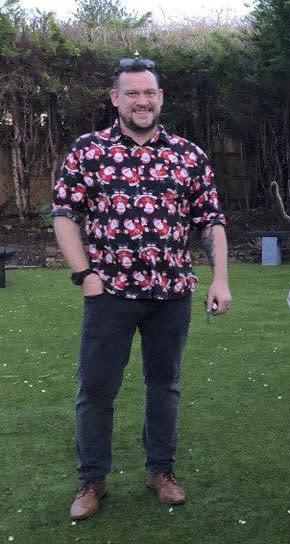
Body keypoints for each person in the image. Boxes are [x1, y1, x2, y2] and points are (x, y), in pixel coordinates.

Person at [52, 57, 232, 520]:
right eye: (131, 93)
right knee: (96, 390)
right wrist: (84, 275)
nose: (141, 101)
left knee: (164, 387)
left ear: (161, 98)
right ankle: (91, 481)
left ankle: (160, 472)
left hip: (171, 294)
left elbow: (209, 221)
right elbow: (65, 216)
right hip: (108, 294)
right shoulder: (88, 151)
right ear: (115, 99)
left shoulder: (188, 155)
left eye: (149, 93)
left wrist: (220, 278)